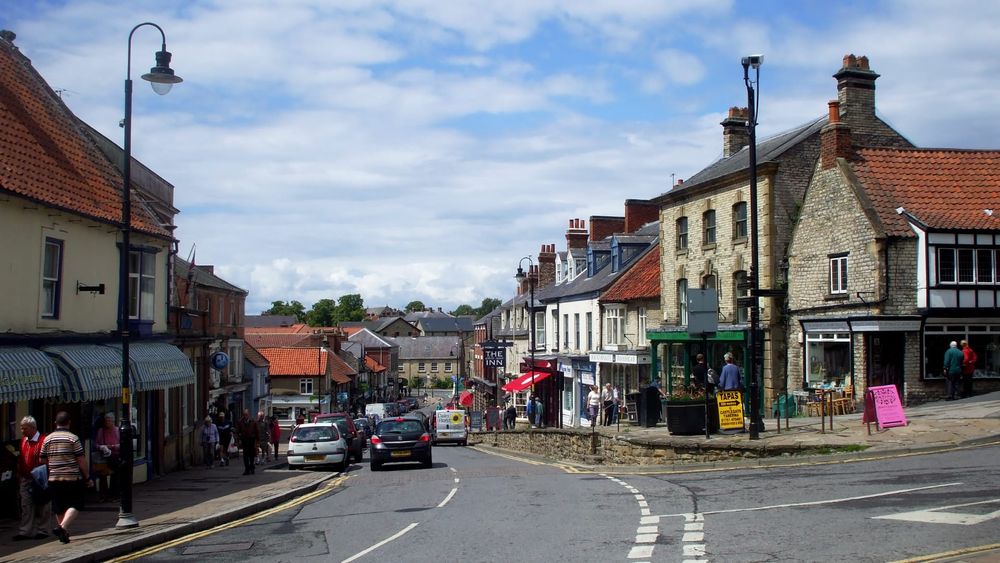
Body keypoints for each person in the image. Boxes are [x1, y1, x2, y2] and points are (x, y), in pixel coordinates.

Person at [40, 411, 91, 544]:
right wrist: (87, 477)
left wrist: (54, 463)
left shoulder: (47, 439)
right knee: (77, 503)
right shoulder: (73, 438)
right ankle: (62, 527)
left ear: (55, 423)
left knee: (59, 506)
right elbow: (81, 460)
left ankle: (64, 533)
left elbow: (42, 459)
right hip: (71, 478)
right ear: (69, 422)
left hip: (53, 478)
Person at [14, 416, 50, 541]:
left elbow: (48, 459)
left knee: (42, 505)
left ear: (33, 428)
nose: (22, 431)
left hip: (40, 479)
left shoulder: (43, 440)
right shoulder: (23, 440)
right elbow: (21, 459)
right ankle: (25, 531)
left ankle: (42, 530)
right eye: (21, 428)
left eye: (25, 429)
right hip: (26, 478)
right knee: (26, 505)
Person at [92, 412, 119, 503]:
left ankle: (113, 495)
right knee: (102, 476)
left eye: (109, 420)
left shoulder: (117, 430)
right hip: (103, 457)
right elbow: (95, 444)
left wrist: (112, 447)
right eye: (106, 420)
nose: (107, 422)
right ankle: (103, 495)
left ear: (113, 421)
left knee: (114, 476)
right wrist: (101, 447)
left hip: (114, 456)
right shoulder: (101, 431)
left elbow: (122, 445)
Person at [235, 409, 259, 475]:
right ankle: (247, 469)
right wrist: (238, 439)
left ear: (249, 415)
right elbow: (237, 431)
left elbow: (257, 431)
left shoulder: (253, 422)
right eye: (244, 415)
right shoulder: (240, 422)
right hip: (244, 440)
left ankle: (252, 467)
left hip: (251, 440)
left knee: (251, 455)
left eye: (246, 414)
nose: (245, 416)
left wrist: (257, 441)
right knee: (245, 455)